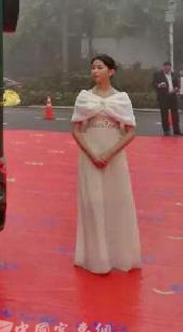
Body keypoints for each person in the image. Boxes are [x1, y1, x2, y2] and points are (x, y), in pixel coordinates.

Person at [71, 55, 141, 275]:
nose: (95, 71)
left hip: (115, 157)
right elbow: (76, 130)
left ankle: (119, 256)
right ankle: (95, 258)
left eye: (100, 67)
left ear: (111, 71)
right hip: (89, 157)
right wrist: (93, 155)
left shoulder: (121, 99)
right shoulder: (84, 98)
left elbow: (130, 132)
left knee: (116, 203)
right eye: (92, 68)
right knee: (93, 203)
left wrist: (110, 153)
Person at [153, 61, 181, 136]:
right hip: (163, 97)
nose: (167, 69)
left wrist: (176, 88)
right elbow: (153, 84)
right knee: (164, 114)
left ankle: (177, 130)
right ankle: (166, 131)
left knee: (175, 114)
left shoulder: (174, 74)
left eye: (169, 68)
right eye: (166, 68)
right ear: (163, 67)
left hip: (173, 96)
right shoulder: (158, 75)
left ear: (170, 68)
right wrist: (159, 85)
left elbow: (177, 84)